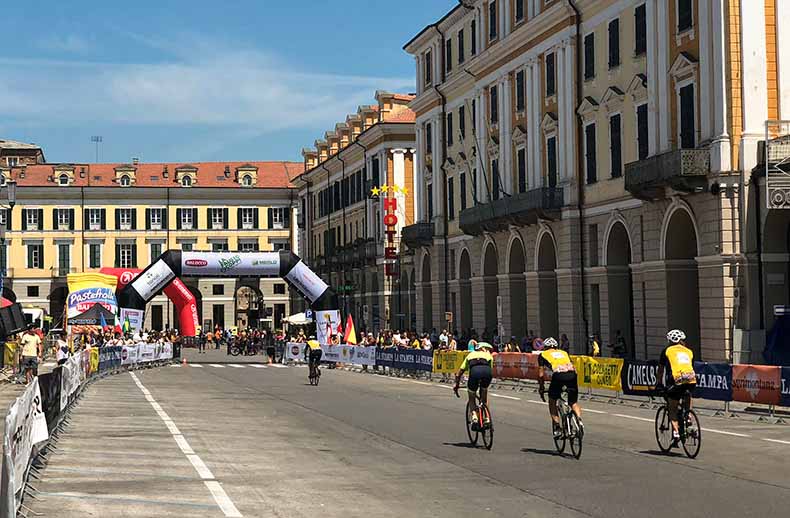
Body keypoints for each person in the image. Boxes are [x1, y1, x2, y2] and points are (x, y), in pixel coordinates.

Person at [656, 329, 697, 445]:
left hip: (676, 380)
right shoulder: (689, 351)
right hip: (691, 379)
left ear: (669, 340)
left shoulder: (667, 350)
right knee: (688, 393)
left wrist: (658, 383)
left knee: (672, 406)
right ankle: (688, 416)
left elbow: (660, 370)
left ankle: (676, 432)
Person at [538, 337, 582, 439]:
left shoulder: (543, 354)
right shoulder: (564, 352)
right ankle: (579, 421)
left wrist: (541, 387)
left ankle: (557, 427)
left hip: (559, 375)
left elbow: (540, 374)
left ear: (545, 347)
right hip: (572, 374)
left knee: (552, 400)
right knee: (573, 402)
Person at [453, 342, 494, 428]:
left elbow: (459, 373)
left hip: (475, 373)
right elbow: (490, 369)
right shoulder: (488, 355)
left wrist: (456, 385)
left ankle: (474, 417)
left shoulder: (470, 355)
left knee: (471, 395)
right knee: (484, 394)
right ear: (482, 349)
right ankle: (487, 418)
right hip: (487, 372)